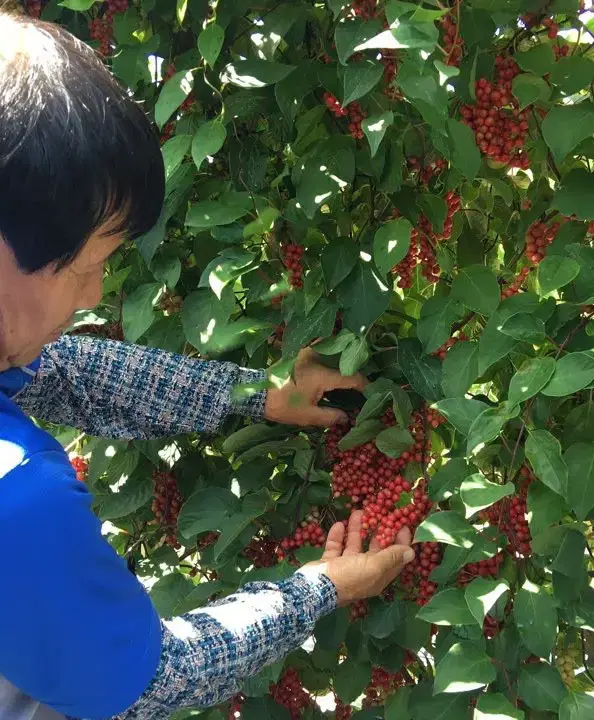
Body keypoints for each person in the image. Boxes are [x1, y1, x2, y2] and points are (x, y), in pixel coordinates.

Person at [0, 12, 415, 720]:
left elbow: (69, 373)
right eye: (91, 263)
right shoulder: (17, 502)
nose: (98, 292)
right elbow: (152, 681)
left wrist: (261, 396)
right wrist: (324, 587)